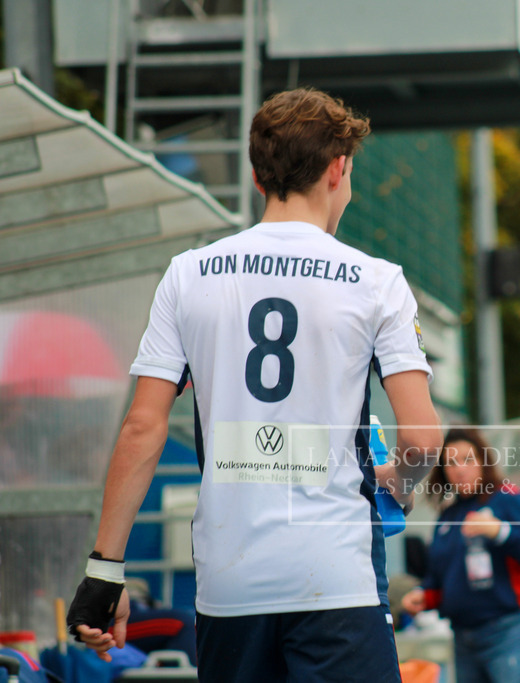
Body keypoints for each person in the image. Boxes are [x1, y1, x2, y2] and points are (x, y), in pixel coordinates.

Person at [65, 87, 443, 682]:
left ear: (256, 174)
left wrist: (105, 571)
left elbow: (144, 425)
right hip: (336, 580)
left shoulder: (189, 274)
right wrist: (402, 482)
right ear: (337, 169)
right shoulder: (377, 281)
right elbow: (422, 439)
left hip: (229, 585)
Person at [401, 427, 520, 683]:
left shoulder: (506, 498)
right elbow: (443, 577)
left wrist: (499, 531)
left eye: (467, 459)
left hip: (511, 630)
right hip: (463, 637)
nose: (459, 468)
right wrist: (423, 595)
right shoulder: (448, 516)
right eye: (451, 462)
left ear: (483, 461)